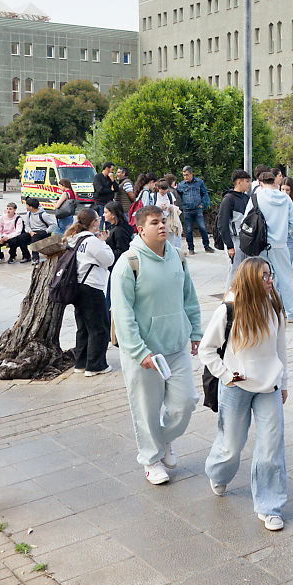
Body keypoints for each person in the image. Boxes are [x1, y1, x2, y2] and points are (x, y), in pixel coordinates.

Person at [110, 205, 202, 485]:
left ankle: (164, 440)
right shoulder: (129, 263)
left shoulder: (177, 256)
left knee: (185, 403)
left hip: (175, 346)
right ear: (141, 229)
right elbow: (122, 314)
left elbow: (189, 297)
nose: (162, 226)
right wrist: (139, 351)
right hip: (144, 352)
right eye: (154, 222)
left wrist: (195, 330)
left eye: (163, 221)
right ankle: (151, 460)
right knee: (146, 408)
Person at [200, 257, 290, 531]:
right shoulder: (229, 308)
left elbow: (281, 346)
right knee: (231, 446)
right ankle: (218, 473)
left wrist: (283, 382)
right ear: (250, 279)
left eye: (270, 273)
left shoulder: (274, 303)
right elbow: (206, 349)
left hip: (269, 386)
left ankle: (269, 505)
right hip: (236, 387)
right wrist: (226, 376)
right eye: (264, 276)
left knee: (271, 448)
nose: (270, 280)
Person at [248, 170, 293, 322]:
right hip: (280, 244)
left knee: (259, 278)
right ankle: (292, 313)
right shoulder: (285, 198)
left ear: (260, 183)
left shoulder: (256, 197)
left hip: (260, 244)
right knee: (284, 279)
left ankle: (261, 312)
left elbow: (247, 218)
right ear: (275, 182)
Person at [62, 208, 115, 376]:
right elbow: (108, 260)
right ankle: (96, 365)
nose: (100, 221)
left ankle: (81, 363)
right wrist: (104, 242)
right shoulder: (92, 241)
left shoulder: (74, 239)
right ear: (93, 222)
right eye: (98, 219)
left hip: (78, 287)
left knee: (83, 327)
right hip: (92, 287)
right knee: (99, 327)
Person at [217, 169, 253, 285]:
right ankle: (229, 299)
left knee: (247, 272)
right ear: (239, 182)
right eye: (247, 181)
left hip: (246, 240)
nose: (249, 184)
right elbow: (222, 224)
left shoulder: (246, 198)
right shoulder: (228, 199)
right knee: (234, 272)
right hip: (234, 240)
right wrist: (229, 246)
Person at [176, 166, 214, 254]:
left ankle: (207, 246)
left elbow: (204, 193)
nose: (185, 177)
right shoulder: (181, 185)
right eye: (184, 175)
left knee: (202, 227)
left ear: (191, 174)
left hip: (197, 209)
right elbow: (178, 196)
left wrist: (203, 204)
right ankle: (191, 248)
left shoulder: (199, 182)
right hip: (187, 210)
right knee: (188, 230)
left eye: (187, 175)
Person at [21, 197, 57, 264]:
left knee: (35, 237)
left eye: (27, 205)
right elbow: (26, 225)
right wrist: (30, 231)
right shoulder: (28, 214)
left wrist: (46, 231)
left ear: (31, 207)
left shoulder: (43, 215)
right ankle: (26, 256)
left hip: (43, 232)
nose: (26, 207)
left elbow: (53, 225)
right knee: (22, 237)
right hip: (32, 231)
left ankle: (35, 258)